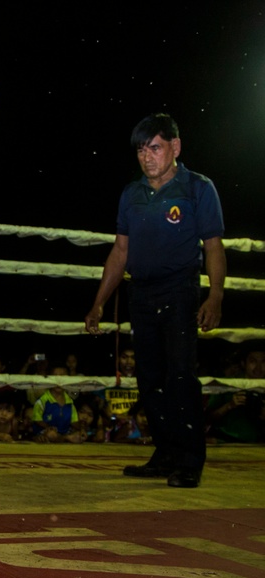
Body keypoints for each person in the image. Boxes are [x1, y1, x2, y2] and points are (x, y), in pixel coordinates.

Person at [85, 113, 225, 488]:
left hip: (180, 291)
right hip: (141, 293)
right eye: (141, 150)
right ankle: (165, 453)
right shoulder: (131, 194)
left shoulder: (197, 188)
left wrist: (215, 295)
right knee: (149, 379)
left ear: (175, 147)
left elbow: (213, 246)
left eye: (155, 148)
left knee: (180, 377)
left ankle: (190, 459)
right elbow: (120, 251)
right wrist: (99, 301)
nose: (147, 157)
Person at [205, 346, 265, 444]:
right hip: (223, 440)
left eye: (263, 362)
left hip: (256, 445)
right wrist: (229, 406)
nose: (258, 367)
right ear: (243, 363)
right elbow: (207, 418)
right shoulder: (227, 383)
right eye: (253, 361)